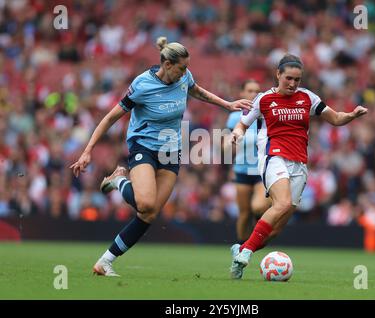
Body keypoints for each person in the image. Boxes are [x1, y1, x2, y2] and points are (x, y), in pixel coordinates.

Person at [70, 36, 252, 277]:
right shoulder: (142, 85)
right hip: (142, 145)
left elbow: (197, 91)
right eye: (182, 67)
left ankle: (104, 262)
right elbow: (110, 118)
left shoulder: (184, 77)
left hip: (170, 149)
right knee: (144, 203)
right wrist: (87, 151)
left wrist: (228, 105)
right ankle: (120, 181)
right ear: (167, 65)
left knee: (150, 213)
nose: (186, 72)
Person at [228, 54, 368, 279]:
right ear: (278, 75)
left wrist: (352, 115)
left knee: (275, 230)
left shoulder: (308, 98)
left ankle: (243, 250)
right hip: (274, 157)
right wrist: (236, 134)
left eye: (297, 79)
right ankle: (245, 252)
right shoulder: (264, 100)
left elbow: (335, 118)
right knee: (281, 203)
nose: (293, 84)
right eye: (289, 78)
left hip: (299, 163)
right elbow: (242, 124)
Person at [224, 79, 271, 246]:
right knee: (244, 214)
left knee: (257, 207)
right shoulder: (235, 117)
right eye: (250, 91)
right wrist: (228, 143)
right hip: (242, 170)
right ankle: (240, 248)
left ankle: (259, 235)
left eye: (257, 91)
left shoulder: (265, 115)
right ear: (242, 94)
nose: (253, 94)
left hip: (260, 170)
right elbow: (226, 143)